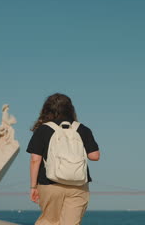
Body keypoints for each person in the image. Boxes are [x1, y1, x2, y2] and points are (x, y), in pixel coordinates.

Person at [27, 93, 100, 225]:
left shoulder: (43, 130)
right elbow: (94, 156)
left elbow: (35, 159)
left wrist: (33, 187)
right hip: (78, 185)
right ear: (70, 109)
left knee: (49, 221)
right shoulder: (82, 129)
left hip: (49, 183)